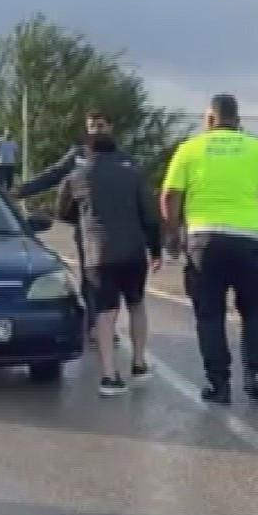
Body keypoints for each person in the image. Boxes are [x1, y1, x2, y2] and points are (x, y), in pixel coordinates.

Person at [160, 94, 258, 404]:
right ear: (238, 121)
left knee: (209, 314)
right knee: (254, 309)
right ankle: (257, 375)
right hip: (247, 241)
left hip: (203, 244)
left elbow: (170, 196)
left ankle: (218, 384)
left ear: (209, 119)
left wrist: (172, 234)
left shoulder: (189, 149)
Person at [57, 125, 162, 397]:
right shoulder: (134, 174)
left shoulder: (76, 176)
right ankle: (138, 363)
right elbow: (150, 216)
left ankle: (109, 376)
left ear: (88, 151)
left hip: (97, 254)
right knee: (137, 304)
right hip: (133, 251)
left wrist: (85, 220)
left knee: (105, 312)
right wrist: (156, 249)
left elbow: (63, 212)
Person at [17, 111, 126, 346]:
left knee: (112, 277)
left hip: (118, 227)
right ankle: (94, 326)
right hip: (87, 226)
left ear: (110, 127)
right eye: (91, 126)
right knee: (92, 276)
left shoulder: (122, 159)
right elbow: (52, 175)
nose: (95, 130)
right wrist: (17, 192)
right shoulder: (78, 156)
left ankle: (106, 325)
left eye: (100, 125)